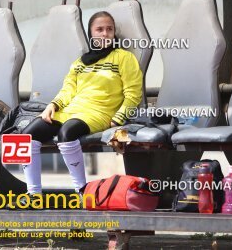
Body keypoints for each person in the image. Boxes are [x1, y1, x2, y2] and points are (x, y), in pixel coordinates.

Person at [20, 11, 143, 206]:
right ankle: (34, 195)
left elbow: (133, 94)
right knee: (27, 136)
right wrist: (53, 105)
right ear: (90, 34)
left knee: (67, 131)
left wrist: (119, 118)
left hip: (100, 112)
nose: (104, 34)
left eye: (109, 29)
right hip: (72, 109)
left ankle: (82, 192)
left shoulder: (124, 58)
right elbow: (67, 90)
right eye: (99, 29)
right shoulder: (79, 63)